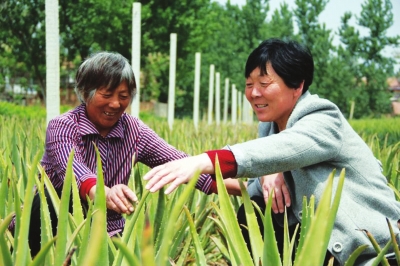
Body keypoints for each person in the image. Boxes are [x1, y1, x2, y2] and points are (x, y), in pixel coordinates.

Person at [143, 38, 400, 265]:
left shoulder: (322, 116)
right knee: (253, 209)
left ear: (297, 86)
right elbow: (258, 187)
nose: (254, 93)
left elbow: (288, 148)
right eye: (248, 84)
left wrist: (206, 161)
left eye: (264, 83)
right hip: (317, 251)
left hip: (371, 253)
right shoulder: (270, 126)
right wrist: (193, 176)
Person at [8, 51, 215, 257]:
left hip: (108, 233)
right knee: (48, 203)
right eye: (106, 95)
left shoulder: (134, 131)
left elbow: (180, 162)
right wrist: (105, 194)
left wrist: (235, 185)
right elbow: (73, 171)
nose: (115, 104)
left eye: (123, 96)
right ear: (85, 91)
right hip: (47, 231)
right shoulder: (63, 126)